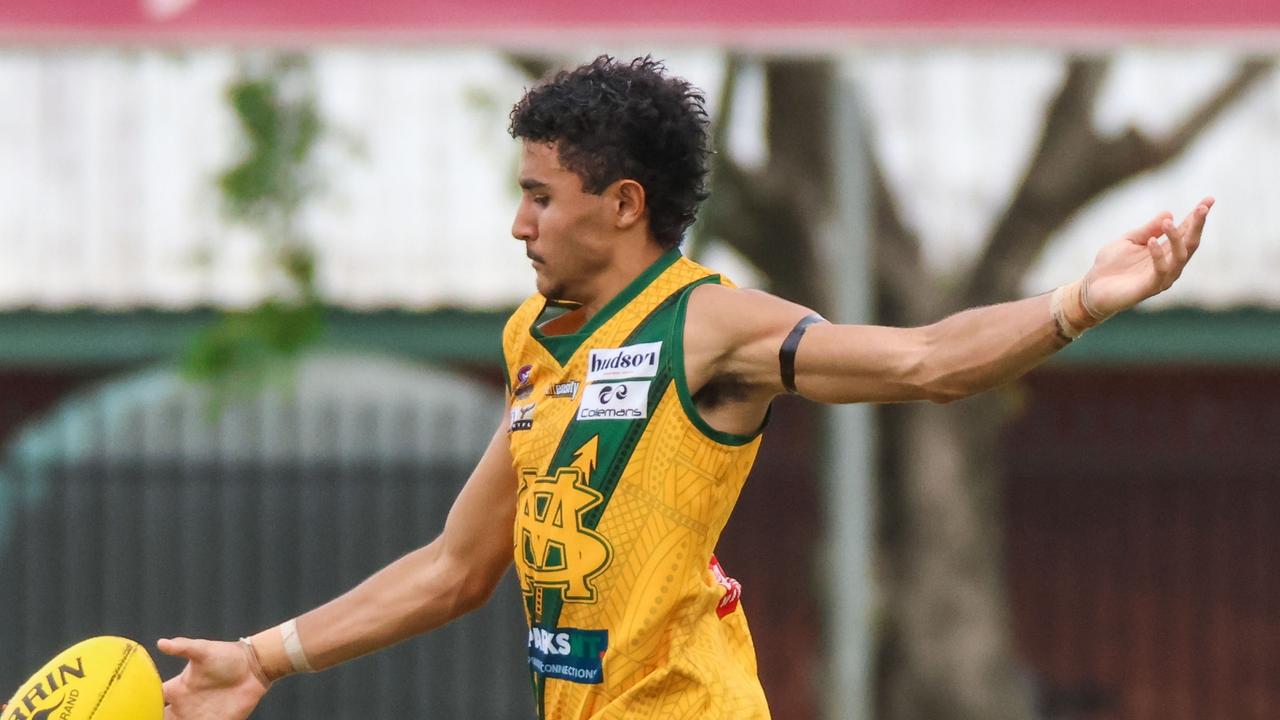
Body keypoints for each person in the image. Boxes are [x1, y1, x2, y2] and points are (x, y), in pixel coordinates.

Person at [157, 55, 1212, 720]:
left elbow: (924, 362)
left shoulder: (709, 325)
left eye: (539, 196)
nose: (518, 224)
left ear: (621, 204)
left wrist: (1078, 300)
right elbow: (453, 567)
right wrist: (259, 660)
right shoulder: (536, 339)